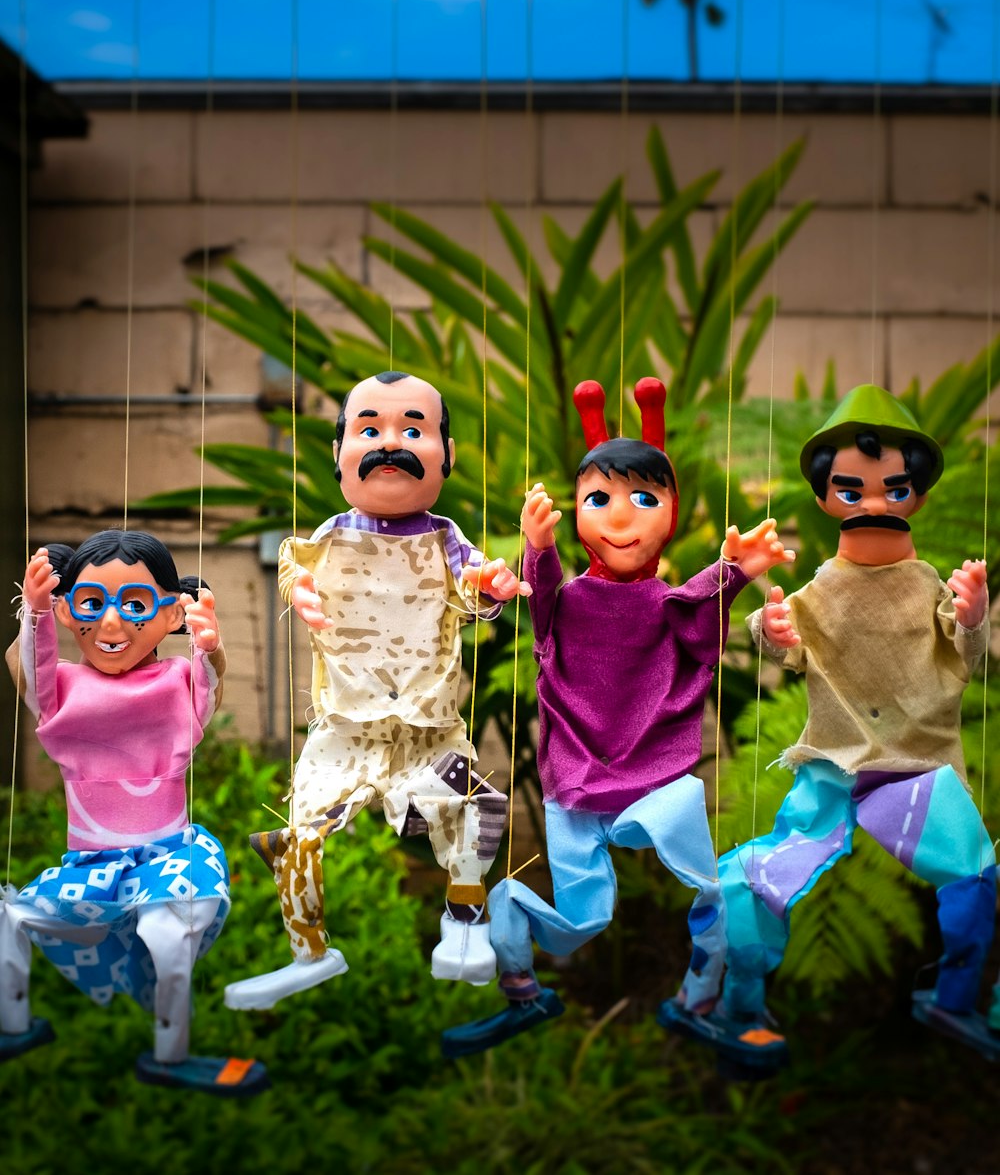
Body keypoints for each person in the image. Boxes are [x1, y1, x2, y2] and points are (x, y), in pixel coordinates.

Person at [442, 378, 794, 1056]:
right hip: (576, 787)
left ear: (672, 511)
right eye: (598, 500)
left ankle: (700, 1000)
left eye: (644, 498)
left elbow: (700, 610)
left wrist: (738, 570)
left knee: (713, 892)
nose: (621, 518)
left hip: (659, 785)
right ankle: (518, 977)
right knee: (582, 918)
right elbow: (542, 601)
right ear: (575, 511)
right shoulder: (566, 601)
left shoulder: (670, 604)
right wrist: (536, 548)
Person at [668, 384, 997, 1072]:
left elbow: (965, 660)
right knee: (756, 881)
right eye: (852, 492)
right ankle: (733, 1004)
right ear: (825, 501)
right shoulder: (822, 585)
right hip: (832, 769)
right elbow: (779, 634)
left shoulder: (927, 582)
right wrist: (773, 625)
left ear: (916, 497)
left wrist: (971, 618)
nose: (873, 504)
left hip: (913, 768)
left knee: (975, 872)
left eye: (891, 489)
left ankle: (955, 997)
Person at [225, 371, 527, 1011]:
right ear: (337, 454)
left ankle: (464, 919)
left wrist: (493, 586)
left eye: (412, 430)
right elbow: (295, 573)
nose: (390, 443)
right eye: (370, 429)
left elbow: (475, 586)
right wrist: (299, 593)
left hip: (428, 728)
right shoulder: (327, 537)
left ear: (446, 456)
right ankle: (307, 950)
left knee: (474, 804)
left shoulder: (447, 540)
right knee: (299, 835)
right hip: (345, 729)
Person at [0, 531, 266, 1094]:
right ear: (71, 611)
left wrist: (210, 646)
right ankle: (14, 1025)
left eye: (137, 606)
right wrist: (36, 611)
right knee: (12, 918)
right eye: (92, 603)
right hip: (87, 865)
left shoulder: (177, 682)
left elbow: (210, 681)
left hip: (167, 854)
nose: (114, 626)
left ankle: (171, 1053)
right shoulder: (61, 691)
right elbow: (27, 666)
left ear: (171, 614)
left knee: (168, 937)